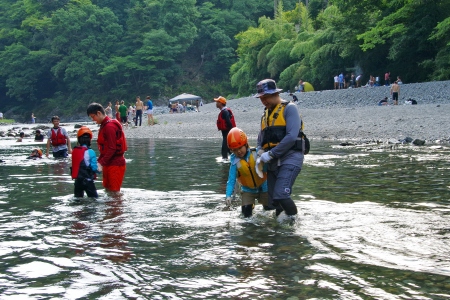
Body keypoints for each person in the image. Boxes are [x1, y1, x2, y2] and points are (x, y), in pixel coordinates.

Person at [255, 79, 305, 219]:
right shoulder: (265, 115)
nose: (264, 101)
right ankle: (280, 234)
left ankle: (295, 222)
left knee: (281, 194)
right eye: (261, 98)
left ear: (276, 94)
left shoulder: (290, 108)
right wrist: (259, 153)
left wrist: (271, 154)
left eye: (266, 97)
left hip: (291, 157)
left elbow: (291, 136)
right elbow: (260, 139)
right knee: (273, 201)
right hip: (272, 162)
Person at [225, 128, 269, 217]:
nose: (238, 151)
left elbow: (268, 168)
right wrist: (228, 196)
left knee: (269, 210)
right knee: (246, 215)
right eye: (235, 150)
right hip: (247, 190)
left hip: (263, 187)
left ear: (246, 144)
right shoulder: (234, 162)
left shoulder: (256, 153)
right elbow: (231, 180)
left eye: (240, 147)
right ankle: (250, 206)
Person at [87, 103, 127, 192]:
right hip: (108, 163)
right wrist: (98, 162)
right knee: (108, 190)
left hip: (116, 164)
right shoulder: (104, 125)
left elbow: (112, 148)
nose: (93, 120)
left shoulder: (109, 127)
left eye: (93, 117)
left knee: (114, 192)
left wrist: (101, 163)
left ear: (99, 113)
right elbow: (105, 150)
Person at [71, 126, 100, 198]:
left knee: (77, 200)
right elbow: (94, 168)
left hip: (78, 182)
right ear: (90, 140)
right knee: (94, 200)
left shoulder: (74, 151)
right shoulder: (91, 152)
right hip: (88, 181)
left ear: (79, 140)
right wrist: (99, 171)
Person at [214, 96, 236, 161]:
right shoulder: (224, 111)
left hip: (227, 132)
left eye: (217, 102)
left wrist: (231, 131)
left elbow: (229, 122)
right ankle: (233, 158)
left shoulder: (225, 111)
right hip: (226, 132)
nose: (216, 103)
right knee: (228, 147)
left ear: (220, 103)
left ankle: (225, 160)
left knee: (224, 147)